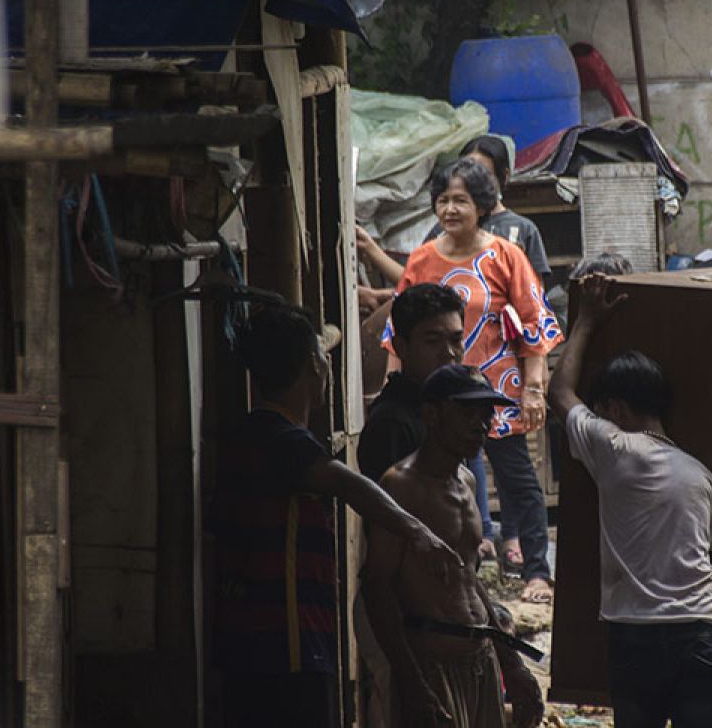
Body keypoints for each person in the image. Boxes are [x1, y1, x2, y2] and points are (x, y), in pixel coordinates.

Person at [213, 306, 461, 728]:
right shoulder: (281, 438)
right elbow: (351, 486)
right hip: (287, 646)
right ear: (314, 365)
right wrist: (418, 531)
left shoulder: (255, 433)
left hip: (257, 643)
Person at [548, 275, 712, 728]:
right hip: (705, 629)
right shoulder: (703, 476)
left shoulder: (612, 447)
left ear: (612, 408)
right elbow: (709, 554)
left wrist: (587, 321)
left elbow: (558, 393)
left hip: (637, 635)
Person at [391, 156, 563, 603]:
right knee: (450, 480)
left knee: (517, 479)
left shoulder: (507, 255)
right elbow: (399, 331)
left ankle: (537, 572)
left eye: (461, 200)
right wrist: (396, 390)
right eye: (443, 200)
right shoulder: (423, 259)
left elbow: (534, 325)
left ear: (482, 205)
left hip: (498, 391)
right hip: (441, 394)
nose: (450, 209)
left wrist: (533, 388)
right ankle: (463, 570)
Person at [362, 364, 545, 728]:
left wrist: (511, 663)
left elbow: (468, 577)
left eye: (486, 415)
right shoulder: (402, 486)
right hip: (432, 664)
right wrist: (412, 683)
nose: (480, 424)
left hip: (479, 661)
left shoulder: (464, 480)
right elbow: (377, 587)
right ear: (431, 414)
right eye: (467, 413)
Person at [359, 283, 497, 555]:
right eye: (432, 341)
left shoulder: (451, 409)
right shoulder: (392, 423)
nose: (449, 353)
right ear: (401, 346)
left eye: (456, 340)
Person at [425, 135, 553, 286]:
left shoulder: (523, 230)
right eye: (467, 173)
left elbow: (535, 292)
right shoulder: (445, 230)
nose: (473, 181)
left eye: (483, 173)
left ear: (503, 176)